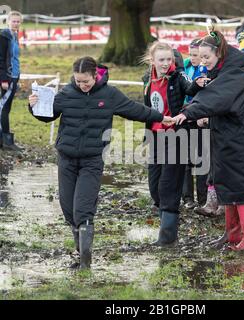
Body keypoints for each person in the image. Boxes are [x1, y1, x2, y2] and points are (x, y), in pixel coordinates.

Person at [28, 56, 172, 269]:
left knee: (83, 210)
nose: (82, 85)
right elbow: (48, 115)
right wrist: (33, 106)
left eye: (85, 81)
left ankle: (85, 263)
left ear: (95, 75)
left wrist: (161, 117)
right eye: (78, 81)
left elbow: (135, 110)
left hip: (92, 160)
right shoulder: (66, 93)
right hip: (66, 159)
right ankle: (79, 252)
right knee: (68, 209)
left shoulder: (109, 94)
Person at [173, 30, 244, 251]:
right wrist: (203, 117)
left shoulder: (233, 75)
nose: (203, 62)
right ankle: (233, 233)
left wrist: (189, 112)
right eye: (201, 57)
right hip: (231, 137)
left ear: (219, 54)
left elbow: (216, 98)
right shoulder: (225, 72)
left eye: (207, 57)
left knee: (243, 188)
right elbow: (222, 104)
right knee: (229, 184)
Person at [141, 41, 200, 247]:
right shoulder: (147, 79)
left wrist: (199, 83)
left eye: (169, 59)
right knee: (154, 186)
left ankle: (168, 237)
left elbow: (190, 87)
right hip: (156, 136)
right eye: (162, 60)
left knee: (168, 186)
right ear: (153, 61)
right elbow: (147, 107)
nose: (166, 64)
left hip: (177, 136)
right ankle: (166, 221)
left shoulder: (179, 76)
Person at [182, 38, 209, 209]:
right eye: (191, 54)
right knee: (185, 160)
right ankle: (187, 198)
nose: (193, 58)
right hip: (185, 116)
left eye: (196, 55)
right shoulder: (185, 68)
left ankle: (203, 198)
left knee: (201, 160)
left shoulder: (207, 71)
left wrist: (202, 114)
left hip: (201, 119)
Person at [0, 10, 23, 151]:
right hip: (7, 78)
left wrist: (17, 77)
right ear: (8, 21)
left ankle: (4, 140)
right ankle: (7, 141)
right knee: (3, 108)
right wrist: (3, 79)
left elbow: (15, 59)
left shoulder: (15, 36)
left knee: (6, 108)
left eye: (18, 21)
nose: (16, 23)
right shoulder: (4, 36)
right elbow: (1, 59)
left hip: (14, 76)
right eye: (13, 21)